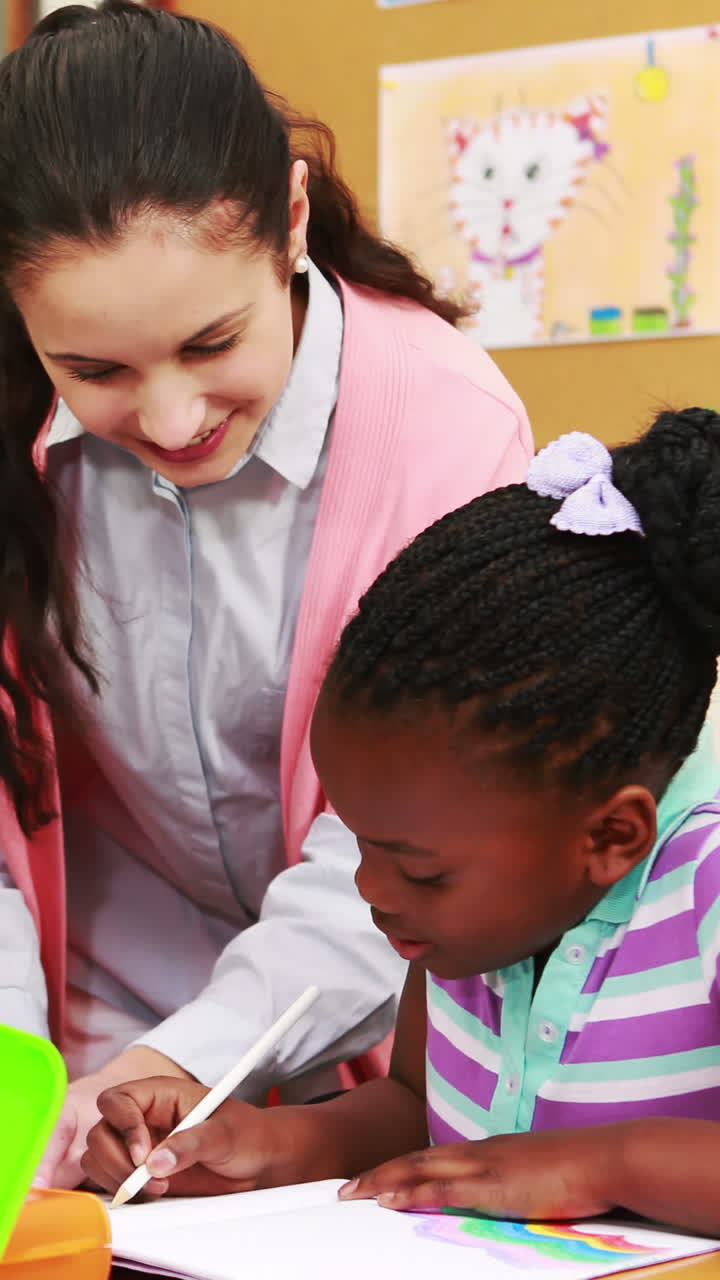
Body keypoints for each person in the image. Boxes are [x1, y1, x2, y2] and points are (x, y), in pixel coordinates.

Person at [0, 0, 540, 1190]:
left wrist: (186, 1058)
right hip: (81, 1036)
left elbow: (412, 830)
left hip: (361, 1056)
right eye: (93, 370)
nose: (173, 420)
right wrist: (16, 1072)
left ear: (291, 220)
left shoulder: (447, 428)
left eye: (211, 342)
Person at [85, 408, 720, 1237]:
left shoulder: (703, 883)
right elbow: (418, 1114)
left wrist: (607, 1163)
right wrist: (263, 1143)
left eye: (419, 869)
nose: (372, 890)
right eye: (360, 843)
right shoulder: (467, 927)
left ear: (611, 838)